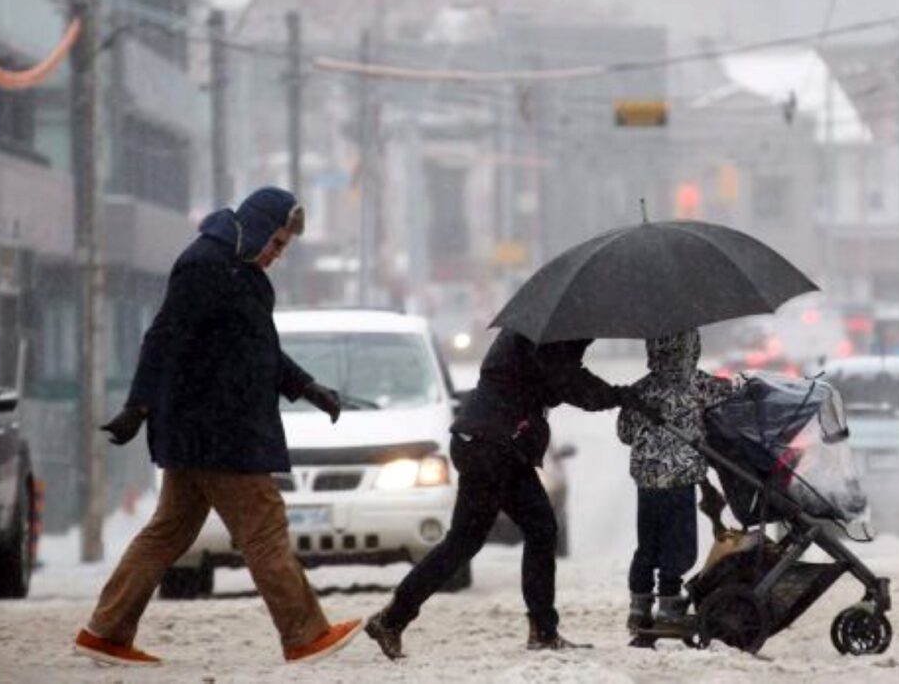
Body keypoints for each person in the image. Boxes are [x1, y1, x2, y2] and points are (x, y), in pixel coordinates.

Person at [72, 187, 362, 667]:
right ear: (259, 228)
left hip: (202, 432)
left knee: (167, 532)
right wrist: (137, 406)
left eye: (283, 247)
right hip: (221, 430)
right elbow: (164, 336)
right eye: (276, 243)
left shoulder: (241, 272)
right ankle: (305, 634)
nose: (276, 254)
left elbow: (258, 349)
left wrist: (308, 387)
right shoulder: (205, 265)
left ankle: (106, 631)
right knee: (264, 529)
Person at [363, 329, 653, 659]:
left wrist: (611, 394)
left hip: (488, 442)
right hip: (494, 446)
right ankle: (539, 630)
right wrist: (619, 395)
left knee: (495, 536)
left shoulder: (534, 332)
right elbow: (568, 382)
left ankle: (395, 618)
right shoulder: (544, 338)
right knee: (517, 532)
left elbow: (558, 380)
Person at [616, 330, 736, 641]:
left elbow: (625, 434)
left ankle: (639, 605)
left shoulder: (640, 389)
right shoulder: (699, 384)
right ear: (692, 347)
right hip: (681, 479)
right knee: (677, 543)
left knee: (648, 543)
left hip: (648, 481)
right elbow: (728, 401)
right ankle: (669, 603)